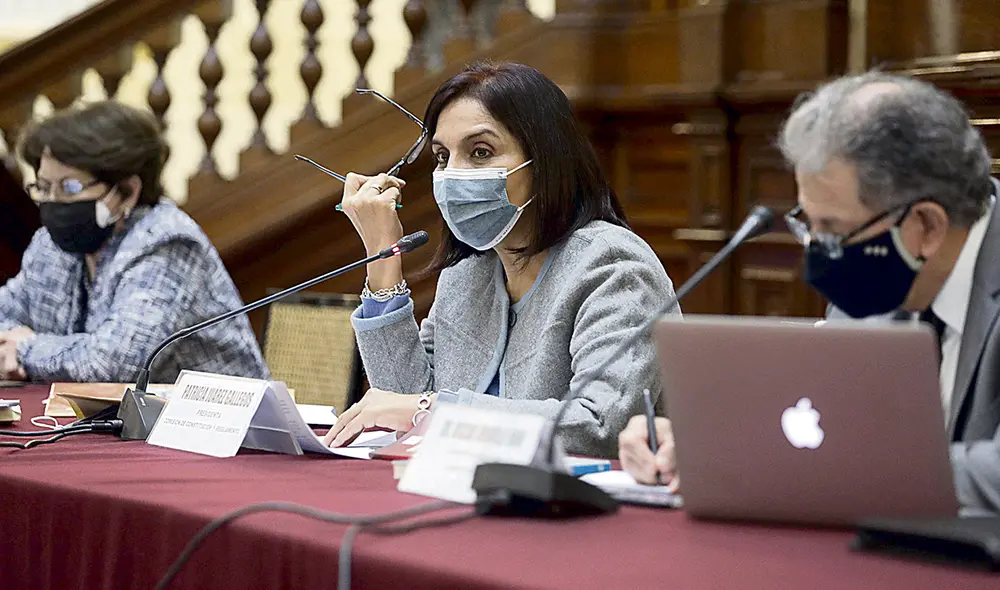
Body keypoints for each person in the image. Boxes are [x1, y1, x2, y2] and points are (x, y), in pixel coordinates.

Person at [619, 71, 1000, 515]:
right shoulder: (876, 274)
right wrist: (707, 441)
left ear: (928, 226)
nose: (819, 251)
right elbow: (822, 425)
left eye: (834, 231)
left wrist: (834, 469)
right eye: (809, 224)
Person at [323, 62, 678, 458]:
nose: (453, 174)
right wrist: (383, 259)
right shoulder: (467, 273)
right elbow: (401, 410)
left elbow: (598, 426)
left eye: (480, 152)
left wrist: (434, 411)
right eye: (442, 156)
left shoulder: (613, 265)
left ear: (545, 161)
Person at [0, 100, 269, 384]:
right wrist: (10, 345)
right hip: (111, 422)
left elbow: (112, 363)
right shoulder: (51, 247)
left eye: (70, 187)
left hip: (221, 422)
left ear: (126, 192)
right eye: (43, 187)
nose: (53, 201)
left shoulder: (166, 242)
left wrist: (26, 348)